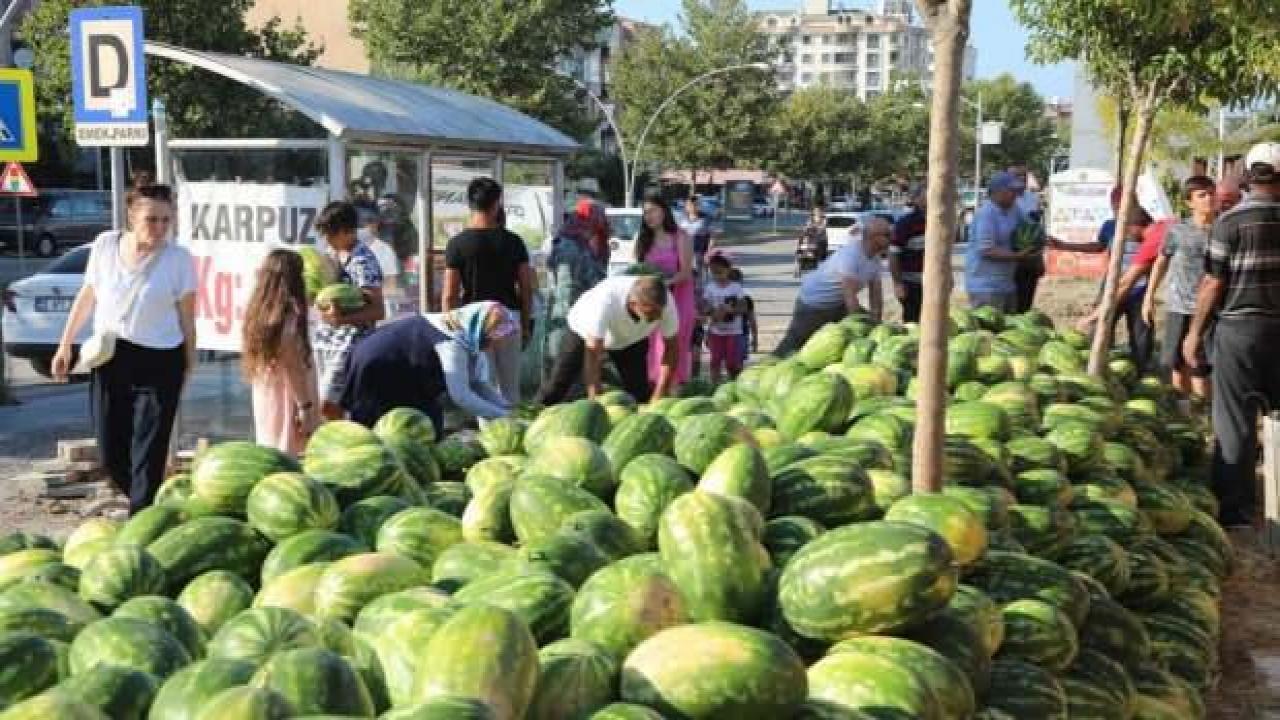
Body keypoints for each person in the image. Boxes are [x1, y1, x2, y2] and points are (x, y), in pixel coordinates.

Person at [51, 177, 197, 514]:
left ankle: (143, 519)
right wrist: (65, 344)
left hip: (162, 360)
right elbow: (87, 296)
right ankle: (153, 507)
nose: (159, 228)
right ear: (131, 215)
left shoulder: (178, 259)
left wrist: (190, 361)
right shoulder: (104, 245)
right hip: (111, 355)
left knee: (150, 448)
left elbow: (188, 316)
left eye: (165, 220)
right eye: (151, 219)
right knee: (111, 451)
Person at [1183, 142, 1280, 528]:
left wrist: (1194, 333)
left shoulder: (1230, 222)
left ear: (1249, 175)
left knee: (1235, 420)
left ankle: (1236, 510)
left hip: (1239, 330)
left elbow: (1211, 284)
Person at [341, 301, 515, 436]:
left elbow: (478, 383)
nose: (496, 346)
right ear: (481, 331)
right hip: (379, 366)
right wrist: (504, 418)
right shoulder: (451, 343)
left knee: (427, 425)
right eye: (494, 339)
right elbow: (461, 396)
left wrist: (508, 409)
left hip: (408, 372)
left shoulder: (467, 336)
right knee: (378, 430)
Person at [442, 177, 535, 404]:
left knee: (484, 386)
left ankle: (489, 435)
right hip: (508, 318)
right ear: (496, 204)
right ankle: (514, 431)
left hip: (474, 322)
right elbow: (526, 288)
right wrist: (525, 323)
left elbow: (449, 294)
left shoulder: (457, 244)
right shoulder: (513, 242)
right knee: (510, 388)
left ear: (470, 204)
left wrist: (450, 328)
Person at [535, 274, 679, 405]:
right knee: (557, 384)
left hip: (631, 339)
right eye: (651, 312)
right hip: (583, 331)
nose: (658, 317)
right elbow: (593, 354)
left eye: (659, 312)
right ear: (633, 303)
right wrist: (595, 401)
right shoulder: (605, 301)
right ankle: (536, 412)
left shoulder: (666, 303)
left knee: (639, 392)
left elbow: (672, 348)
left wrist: (661, 391)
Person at [1141, 176, 1218, 397]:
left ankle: (1203, 415)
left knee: (1201, 368)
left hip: (1209, 310)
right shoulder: (1178, 231)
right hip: (1178, 307)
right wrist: (1149, 296)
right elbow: (1161, 262)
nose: (1209, 198)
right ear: (1189, 202)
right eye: (1202, 195)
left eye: (1211, 193)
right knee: (1175, 364)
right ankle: (1183, 412)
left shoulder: (1223, 230)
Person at [774, 217, 891, 356]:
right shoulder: (851, 255)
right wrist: (861, 328)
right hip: (814, 303)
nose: (891, 238)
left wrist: (876, 324)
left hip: (838, 303)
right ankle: (769, 365)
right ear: (874, 237)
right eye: (887, 235)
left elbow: (876, 296)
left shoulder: (875, 260)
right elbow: (850, 298)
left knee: (850, 338)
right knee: (795, 343)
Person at [242, 249, 321, 455]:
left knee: (270, 453)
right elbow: (292, 364)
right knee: (287, 458)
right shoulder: (289, 313)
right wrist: (305, 407)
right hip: (288, 397)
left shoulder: (260, 309)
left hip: (268, 391)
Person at [313, 201, 385, 420]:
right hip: (326, 343)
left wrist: (344, 318)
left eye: (330, 234)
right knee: (324, 405)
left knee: (327, 405)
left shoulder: (363, 262)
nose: (326, 240)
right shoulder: (331, 255)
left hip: (348, 346)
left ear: (347, 231)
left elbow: (377, 311)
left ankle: (346, 443)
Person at [635, 194, 695, 390]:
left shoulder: (681, 236)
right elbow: (636, 270)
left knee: (672, 344)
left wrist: (664, 282)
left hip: (679, 300)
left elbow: (686, 272)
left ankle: (673, 391)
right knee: (653, 348)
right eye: (645, 213)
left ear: (664, 211)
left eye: (653, 210)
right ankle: (656, 391)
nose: (648, 216)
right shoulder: (643, 239)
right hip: (653, 303)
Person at [546, 198, 610, 360]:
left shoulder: (580, 241)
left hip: (577, 312)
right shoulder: (569, 246)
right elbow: (566, 291)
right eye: (597, 219)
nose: (600, 225)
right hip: (567, 315)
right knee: (561, 359)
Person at [965, 172, 1032, 311]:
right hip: (985, 287)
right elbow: (986, 249)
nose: (1016, 195)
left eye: (1017, 191)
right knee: (988, 330)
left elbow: (1030, 227)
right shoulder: (986, 214)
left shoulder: (1014, 209)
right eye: (1012, 191)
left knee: (1008, 328)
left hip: (1007, 284)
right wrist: (1018, 256)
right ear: (998, 192)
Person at [1008, 164, 1048, 312]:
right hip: (1014, 255)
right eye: (1017, 176)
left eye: (1023, 176)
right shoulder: (1007, 199)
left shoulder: (1032, 197)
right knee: (1015, 295)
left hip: (1032, 254)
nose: (1021, 180)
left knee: (1028, 292)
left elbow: (1037, 225)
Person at [702, 254, 746, 383]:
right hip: (716, 331)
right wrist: (711, 312)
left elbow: (743, 308)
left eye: (720, 272)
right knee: (715, 360)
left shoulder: (736, 288)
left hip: (733, 332)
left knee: (732, 362)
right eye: (714, 273)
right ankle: (714, 384)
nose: (717, 276)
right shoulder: (710, 288)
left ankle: (734, 383)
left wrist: (731, 310)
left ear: (728, 270)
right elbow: (705, 306)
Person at [889, 186, 927, 323]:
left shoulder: (940, 222)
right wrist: (898, 283)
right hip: (911, 284)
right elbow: (893, 254)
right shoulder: (906, 224)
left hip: (932, 284)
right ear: (916, 200)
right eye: (926, 194)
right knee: (913, 321)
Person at [359, 206, 400, 321]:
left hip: (382, 314)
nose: (364, 227)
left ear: (376, 225)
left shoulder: (384, 250)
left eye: (368, 222)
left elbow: (391, 285)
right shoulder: (349, 249)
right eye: (361, 224)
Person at [729, 267, 758, 365]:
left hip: (739, 334)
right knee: (737, 363)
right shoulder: (746, 298)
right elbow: (752, 321)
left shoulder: (746, 298)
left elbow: (752, 320)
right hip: (737, 335)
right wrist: (755, 339)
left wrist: (755, 339)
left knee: (734, 363)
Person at [796, 204, 829, 276]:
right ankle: (799, 267)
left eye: (819, 211)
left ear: (821, 212)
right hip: (811, 239)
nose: (817, 212)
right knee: (801, 250)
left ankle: (820, 268)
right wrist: (805, 229)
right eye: (816, 211)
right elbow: (807, 226)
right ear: (814, 212)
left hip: (820, 239)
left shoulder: (824, 218)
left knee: (820, 253)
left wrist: (816, 227)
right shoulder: (811, 218)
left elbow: (823, 226)